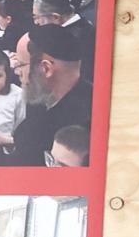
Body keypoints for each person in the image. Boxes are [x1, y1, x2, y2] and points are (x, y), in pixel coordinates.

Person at [10, 25, 92, 166]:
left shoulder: (82, 127)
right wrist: (2, 139)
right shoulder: (41, 94)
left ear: (46, 68)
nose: (17, 71)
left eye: (21, 64)